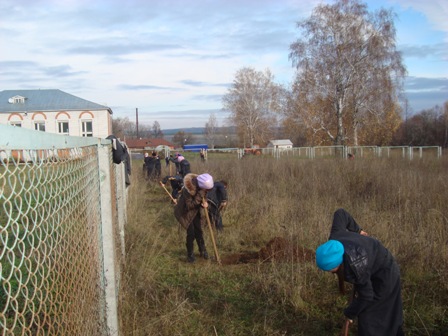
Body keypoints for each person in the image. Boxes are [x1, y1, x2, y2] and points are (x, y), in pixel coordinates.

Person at [315, 209, 404, 336]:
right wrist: (358, 230)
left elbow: (366, 296)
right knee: (375, 315)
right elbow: (340, 213)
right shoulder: (335, 237)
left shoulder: (356, 266)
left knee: (373, 316)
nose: (329, 273)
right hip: (372, 263)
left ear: (338, 264)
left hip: (385, 272)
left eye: (329, 270)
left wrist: (350, 313)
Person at [174, 173, 214, 263]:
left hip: (195, 212)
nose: (206, 191)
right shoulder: (188, 190)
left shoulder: (202, 186)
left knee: (199, 231)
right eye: (206, 190)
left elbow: (204, 197)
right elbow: (190, 205)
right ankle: (190, 255)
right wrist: (200, 195)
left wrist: (205, 203)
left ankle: (203, 252)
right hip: (184, 213)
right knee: (191, 233)